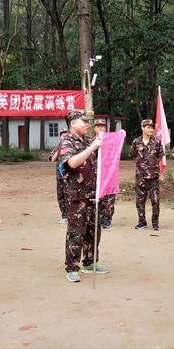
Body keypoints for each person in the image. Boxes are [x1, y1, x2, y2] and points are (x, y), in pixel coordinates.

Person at [58, 110, 107, 282]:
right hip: (77, 195)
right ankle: (72, 267)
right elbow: (72, 162)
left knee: (93, 230)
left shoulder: (86, 140)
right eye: (83, 121)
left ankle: (89, 262)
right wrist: (92, 148)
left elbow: (103, 147)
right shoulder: (67, 141)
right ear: (72, 123)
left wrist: (118, 137)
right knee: (76, 232)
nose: (87, 125)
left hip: (92, 193)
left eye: (88, 122)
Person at [128, 119, 165, 230]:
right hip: (140, 177)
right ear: (142, 128)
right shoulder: (136, 142)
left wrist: (161, 172)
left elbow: (161, 157)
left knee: (155, 201)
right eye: (148, 127)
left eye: (152, 127)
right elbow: (132, 155)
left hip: (153, 177)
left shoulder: (157, 142)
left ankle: (155, 223)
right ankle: (142, 221)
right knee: (140, 201)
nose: (150, 129)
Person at [94, 119, 116, 228]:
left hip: (108, 173)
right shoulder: (90, 142)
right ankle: (98, 217)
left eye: (102, 126)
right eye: (98, 126)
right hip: (95, 174)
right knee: (97, 196)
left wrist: (121, 134)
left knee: (109, 196)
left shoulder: (110, 141)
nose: (100, 128)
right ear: (94, 128)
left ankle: (107, 218)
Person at [49, 129, 69, 224]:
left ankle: (71, 215)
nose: (64, 136)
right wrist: (59, 150)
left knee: (70, 196)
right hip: (60, 177)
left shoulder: (71, 146)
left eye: (66, 134)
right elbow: (52, 159)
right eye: (62, 135)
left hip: (69, 177)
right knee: (61, 196)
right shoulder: (57, 148)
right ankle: (64, 215)